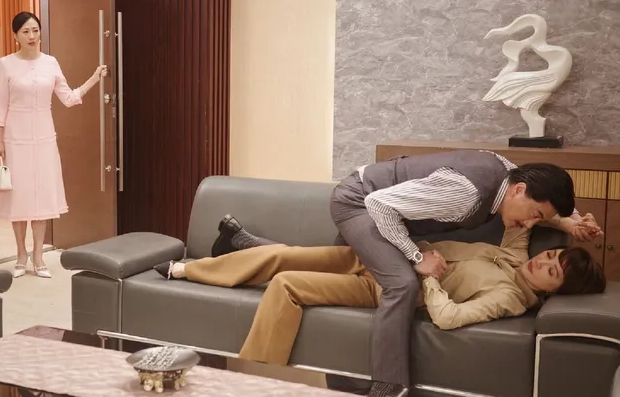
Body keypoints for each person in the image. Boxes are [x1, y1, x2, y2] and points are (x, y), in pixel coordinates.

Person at [153, 214, 605, 394]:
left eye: (551, 270)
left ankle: (254, 383)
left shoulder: (508, 298)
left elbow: (449, 318)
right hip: (378, 257)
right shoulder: (516, 256)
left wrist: (429, 278)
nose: (542, 261)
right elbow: (522, 214)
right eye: (551, 255)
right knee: (283, 256)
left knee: (287, 283)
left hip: (388, 288)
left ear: (551, 291)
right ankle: (188, 269)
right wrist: (568, 223)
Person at [322, 150, 602, 392]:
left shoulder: (509, 174)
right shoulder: (466, 194)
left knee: (330, 274)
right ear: (518, 191)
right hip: (361, 202)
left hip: (388, 209)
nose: (530, 224)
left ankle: (343, 383)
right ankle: (389, 388)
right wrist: (416, 257)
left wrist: (572, 221)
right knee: (402, 284)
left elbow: (546, 188)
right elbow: (378, 205)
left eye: (539, 220)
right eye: (535, 215)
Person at [0, 12, 107, 279]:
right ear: (16, 36)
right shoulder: (6, 64)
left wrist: (94, 78)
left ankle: (39, 256)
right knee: (18, 198)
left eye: (35, 30)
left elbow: (68, 98)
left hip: (44, 138)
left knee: (41, 197)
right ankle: (21, 255)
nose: (31, 36)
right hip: (14, 138)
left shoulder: (50, 63)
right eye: (25, 31)